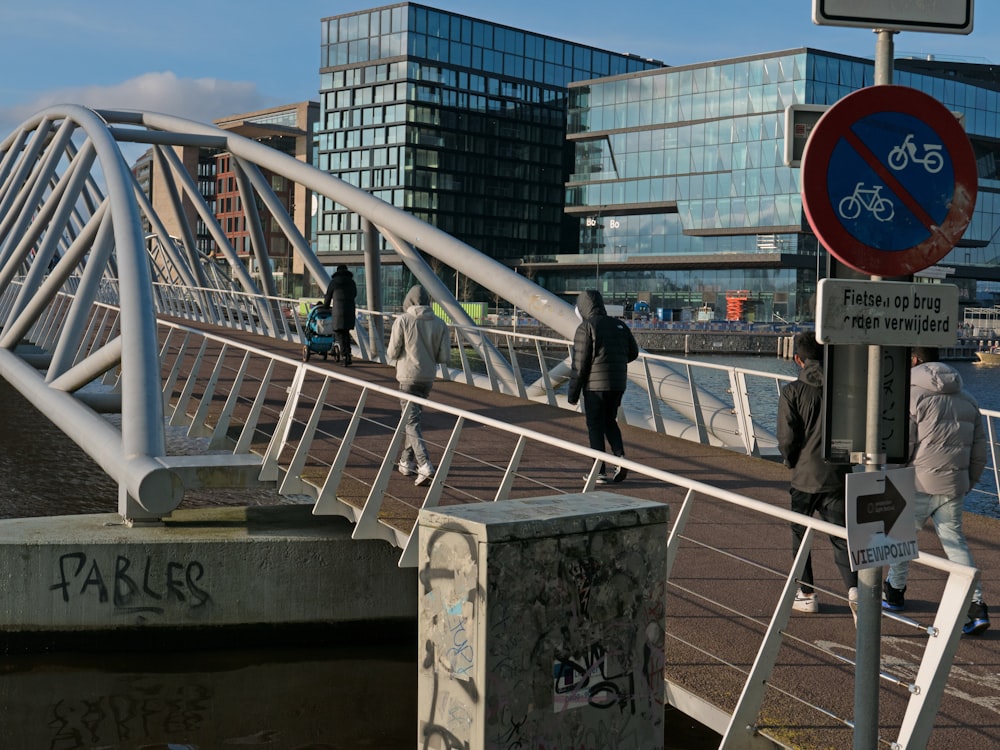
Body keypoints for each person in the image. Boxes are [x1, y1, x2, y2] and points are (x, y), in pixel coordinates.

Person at [883, 347, 989, 635]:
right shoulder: (969, 399)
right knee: (955, 544)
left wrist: (892, 479)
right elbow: (979, 453)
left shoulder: (911, 396)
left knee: (902, 538)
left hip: (916, 482)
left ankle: (895, 592)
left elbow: (901, 447)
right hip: (953, 485)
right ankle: (976, 607)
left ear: (915, 360)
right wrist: (966, 483)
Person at [777, 332, 858, 616]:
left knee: (800, 534)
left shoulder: (792, 392)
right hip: (838, 474)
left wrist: (791, 461)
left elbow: (787, 438)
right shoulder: (846, 387)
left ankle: (807, 593)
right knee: (841, 536)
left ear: (798, 359)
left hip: (804, 476)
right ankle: (855, 589)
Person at [567, 289, 639, 484]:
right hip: (617, 383)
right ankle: (620, 458)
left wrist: (572, 394)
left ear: (582, 307)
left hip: (595, 386)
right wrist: (615, 362)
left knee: (595, 424)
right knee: (609, 420)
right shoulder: (619, 325)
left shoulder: (586, 327)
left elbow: (580, 364)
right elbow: (633, 352)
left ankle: (598, 471)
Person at [387, 285, 451, 486]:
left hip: (407, 376)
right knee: (412, 419)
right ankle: (406, 462)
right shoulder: (440, 324)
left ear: (409, 301)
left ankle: (424, 464)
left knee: (411, 421)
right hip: (427, 378)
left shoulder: (403, 320)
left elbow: (392, 352)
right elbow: (444, 356)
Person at [323, 265, 357, 366]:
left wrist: (325, 306)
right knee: (346, 333)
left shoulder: (334, 282)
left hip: (338, 311)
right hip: (349, 310)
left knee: (339, 333)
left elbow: (328, 296)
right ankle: (348, 354)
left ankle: (345, 355)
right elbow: (355, 294)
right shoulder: (351, 282)